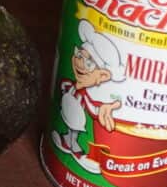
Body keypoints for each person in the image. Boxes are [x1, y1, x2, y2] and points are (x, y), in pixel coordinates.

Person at [53, 18, 128, 174]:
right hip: (64, 112)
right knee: (67, 120)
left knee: (75, 126)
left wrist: (108, 107)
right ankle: (65, 140)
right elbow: (64, 86)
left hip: (77, 117)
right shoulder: (72, 85)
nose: (79, 63)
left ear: (103, 75)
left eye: (88, 63)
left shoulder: (86, 95)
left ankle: (76, 149)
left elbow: (93, 107)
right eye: (79, 55)